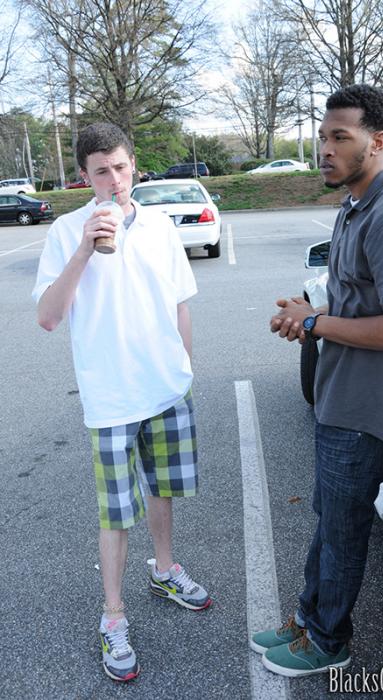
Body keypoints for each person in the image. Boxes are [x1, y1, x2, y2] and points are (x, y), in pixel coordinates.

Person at [251, 84, 383, 677]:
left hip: (365, 406)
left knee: (344, 529)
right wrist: (310, 315)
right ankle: (308, 619)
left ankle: (329, 641)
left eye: (340, 137)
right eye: (322, 137)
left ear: (377, 141)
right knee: (329, 523)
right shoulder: (356, 205)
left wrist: (317, 322)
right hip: (340, 393)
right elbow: (360, 303)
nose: (324, 150)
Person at [32, 122, 211, 683]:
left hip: (166, 388)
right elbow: (48, 317)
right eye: (101, 171)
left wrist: (185, 368)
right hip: (111, 398)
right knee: (116, 513)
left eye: (120, 167)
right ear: (83, 176)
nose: (113, 179)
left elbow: (180, 303)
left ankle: (165, 569)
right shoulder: (66, 231)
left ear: (133, 165)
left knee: (162, 490)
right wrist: (86, 248)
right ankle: (113, 615)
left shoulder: (159, 226)